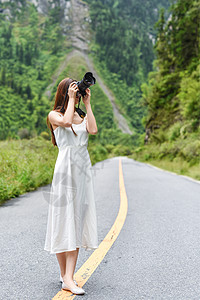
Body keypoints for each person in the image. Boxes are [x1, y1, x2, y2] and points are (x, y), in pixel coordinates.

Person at [44, 78, 99, 295]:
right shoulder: (55, 115)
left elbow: (92, 130)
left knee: (77, 220)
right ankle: (66, 276)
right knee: (62, 220)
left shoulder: (81, 115)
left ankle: (68, 276)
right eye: (73, 89)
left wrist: (86, 104)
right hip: (65, 171)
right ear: (64, 92)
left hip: (83, 171)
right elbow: (66, 123)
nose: (76, 92)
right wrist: (70, 99)